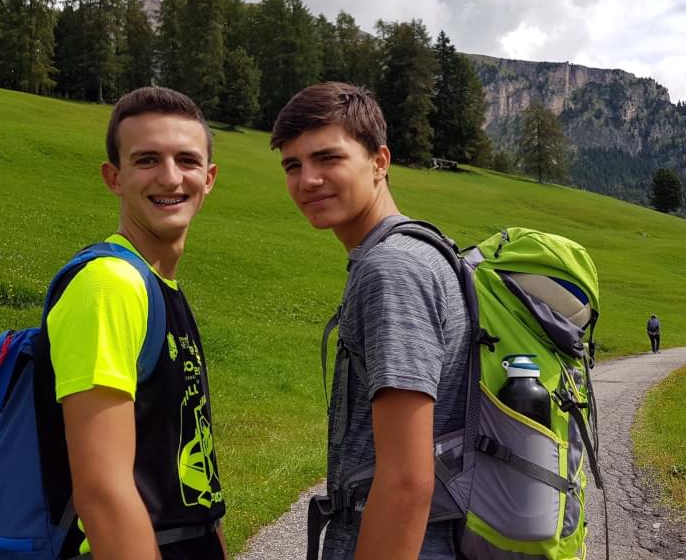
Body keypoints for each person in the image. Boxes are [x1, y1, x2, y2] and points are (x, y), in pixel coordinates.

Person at [270, 82, 470, 560]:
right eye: (293, 166)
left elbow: (406, 480)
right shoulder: (423, 250)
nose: (307, 180)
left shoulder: (392, 269)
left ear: (379, 162)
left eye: (327, 158)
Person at [40, 87, 227, 559]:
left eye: (186, 160)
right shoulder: (109, 285)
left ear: (209, 178)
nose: (170, 178)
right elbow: (103, 491)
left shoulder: (160, 286)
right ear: (114, 177)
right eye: (146, 160)